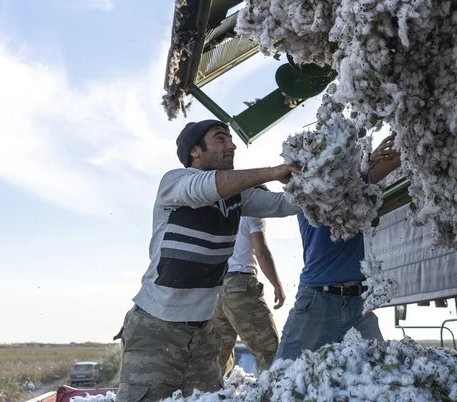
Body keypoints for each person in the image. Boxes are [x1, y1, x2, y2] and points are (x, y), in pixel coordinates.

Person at [115, 120, 301, 402]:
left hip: (202, 335)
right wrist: (273, 172)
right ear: (195, 152)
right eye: (220, 139)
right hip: (155, 331)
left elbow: (285, 204)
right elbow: (206, 187)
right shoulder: (175, 183)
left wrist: (325, 175)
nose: (232, 145)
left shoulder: (237, 198)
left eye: (231, 139)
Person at [275, 135, 401, 361]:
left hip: (358, 302)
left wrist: (376, 158)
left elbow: (392, 161)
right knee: (283, 376)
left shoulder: (355, 186)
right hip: (317, 303)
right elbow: (340, 187)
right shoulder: (308, 196)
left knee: (384, 371)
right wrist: (368, 163)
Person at [212, 212, 285, 375]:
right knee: (271, 354)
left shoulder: (222, 212)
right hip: (240, 287)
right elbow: (261, 252)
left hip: (217, 290)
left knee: (217, 359)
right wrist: (277, 284)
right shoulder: (253, 213)